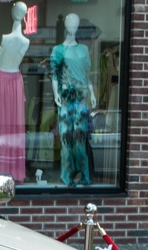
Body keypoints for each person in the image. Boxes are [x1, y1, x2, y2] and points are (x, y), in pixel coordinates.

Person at [50, 13, 96, 186]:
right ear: (65, 25)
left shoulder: (83, 50)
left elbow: (87, 74)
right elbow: (54, 74)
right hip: (65, 97)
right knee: (66, 138)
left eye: (75, 23)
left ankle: (82, 175)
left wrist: (92, 93)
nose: (72, 26)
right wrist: (55, 93)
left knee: (80, 138)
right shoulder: (58, 50)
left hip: (81, 97)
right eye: (70, 23)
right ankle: (68, 176)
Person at [0, 2, 30, 182]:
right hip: (12, 81)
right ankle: (11, 170)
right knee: (11, 125)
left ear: (13, 12)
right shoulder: (24, 41)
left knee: (2, 125)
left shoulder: (8, 39)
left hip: (6, 80)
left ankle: (0, 169)